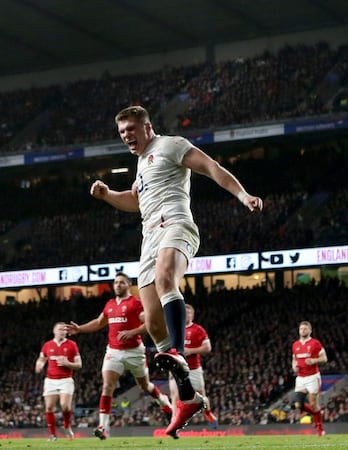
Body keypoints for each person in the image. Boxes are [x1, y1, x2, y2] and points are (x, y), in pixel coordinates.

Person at [90, 105, 263, 438]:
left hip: (177, 225)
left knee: (168, 277)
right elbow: (136, 201)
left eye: (131, 129)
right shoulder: (141, 164)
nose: (127, 135)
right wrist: (109, 195)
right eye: (122, 132)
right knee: (153, 323)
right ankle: (186, 395)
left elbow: (211, 167)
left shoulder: (170, 146)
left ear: (147, 127)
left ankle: (178, 356)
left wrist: (242, 195)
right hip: (149, 238)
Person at [64, 272, 172, 440]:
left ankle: (163, 401)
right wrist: (80, 329)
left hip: (135, 352)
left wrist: (132, 332)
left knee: (145, 386)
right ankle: (103, 427)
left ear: (129, 285)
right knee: (107, 386)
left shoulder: (135, 304)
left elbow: (149, 323)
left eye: (121, 282)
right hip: (113, 352)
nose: (118, 285)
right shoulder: (110, 304)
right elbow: (99, 322)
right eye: (115, 283)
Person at [168, 304, 218, 428]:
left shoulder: (198, 330)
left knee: (201, 395)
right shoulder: (173, 329)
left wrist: (191, 350)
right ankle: (174, 422)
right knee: (175, 395)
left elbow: (207, 348)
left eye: (189, 313)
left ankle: (208, 412)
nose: (187, 314)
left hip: (193, 369)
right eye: (184, 312)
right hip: (176, 368)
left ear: (192, 315)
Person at [35, 322, 82, 442]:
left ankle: (67, 426)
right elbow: (41, 359)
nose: (63, 331)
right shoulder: (47, 345)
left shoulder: (72, 345)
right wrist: (39, 365)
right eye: (60, 329)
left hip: (66, 380)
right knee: (49, 407)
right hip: (50, 380)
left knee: (65, 406)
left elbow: (79, 364)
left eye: (65, 330)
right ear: (54, 331)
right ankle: (52, 435)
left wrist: (68, 364)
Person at [291, 321, 327, 437]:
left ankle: (320, 428)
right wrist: (294, 366)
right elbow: (294, 359)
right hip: (300, 377)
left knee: (313, 404)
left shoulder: (315, 343)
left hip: (313, 377)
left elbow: (324, 358)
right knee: (298, 405)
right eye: (301, 329)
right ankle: (317, 415)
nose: (303, 331)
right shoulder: (295, 345)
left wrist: (314, 360)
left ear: (310, 330)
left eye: (305, 329)